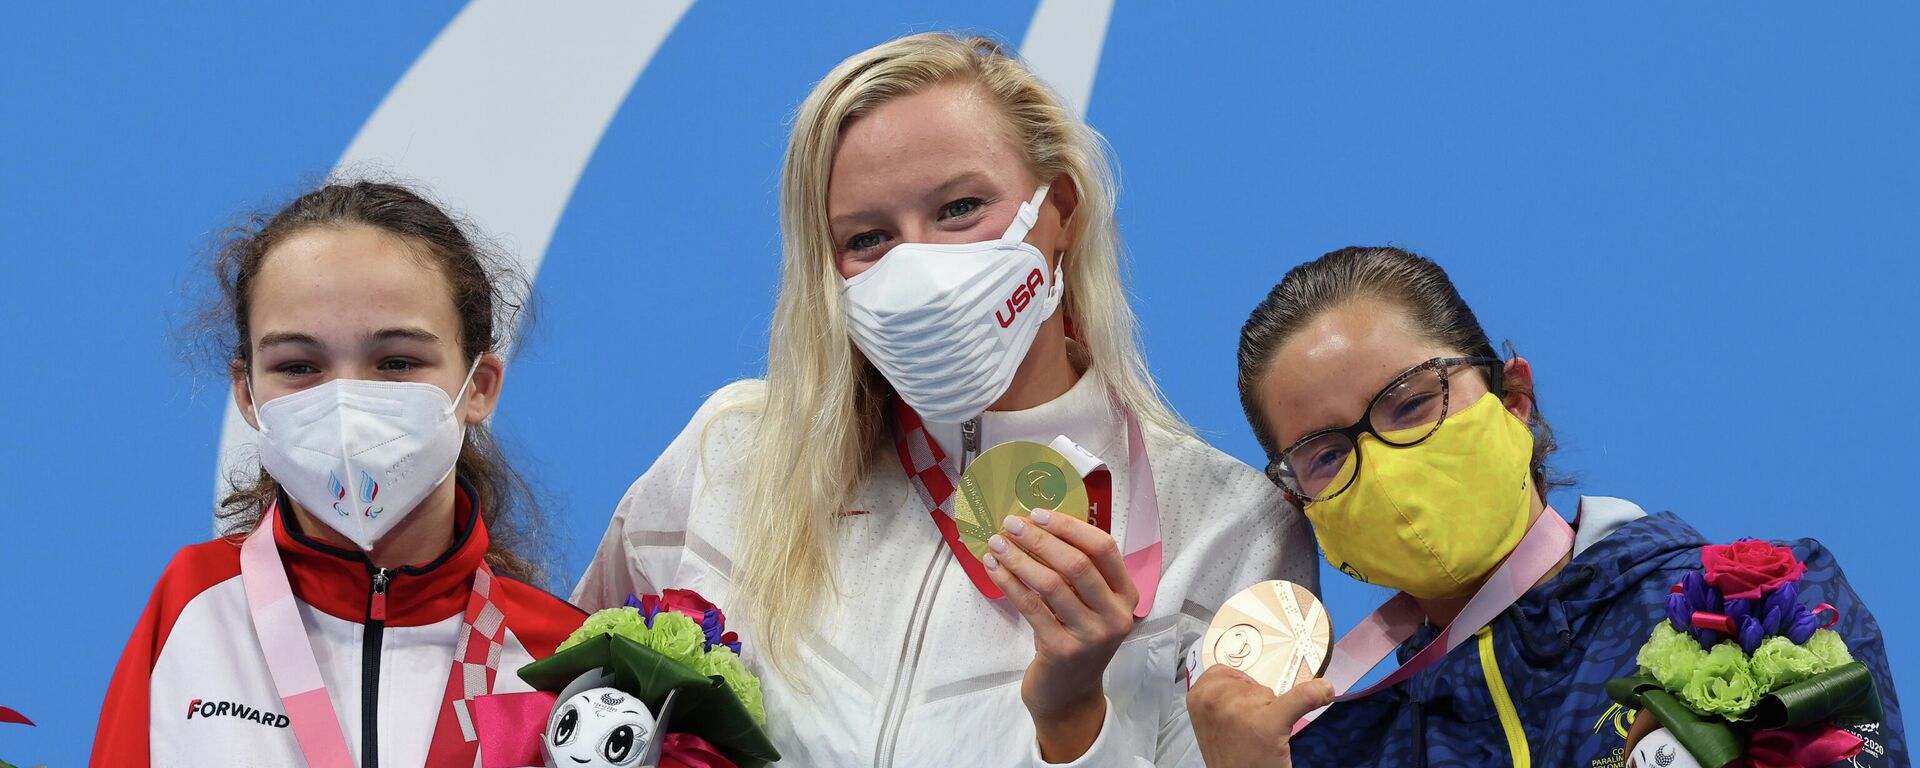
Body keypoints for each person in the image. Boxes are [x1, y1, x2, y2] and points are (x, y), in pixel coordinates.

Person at [572, 32, 1316, 766]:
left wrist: (1075, 720)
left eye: (960, 208)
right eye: (867, 238)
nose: (920, 267)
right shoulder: (730, 454)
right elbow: (561, 711)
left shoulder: (1228, 528)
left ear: (1060, 211)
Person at [1189, 245, 1906, 767]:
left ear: (1514, 398)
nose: (1382, 464)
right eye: (1326, 455)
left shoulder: (1755, 608)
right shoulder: (1334, 753)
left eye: (1410, 403)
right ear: (1299, 501)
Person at [91, 181, 585, 767]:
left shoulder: (561, 661)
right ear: (247, 394)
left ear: (479, 387)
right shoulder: (192, 609)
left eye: (397, 361)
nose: (347, 405)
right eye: (299, 366)